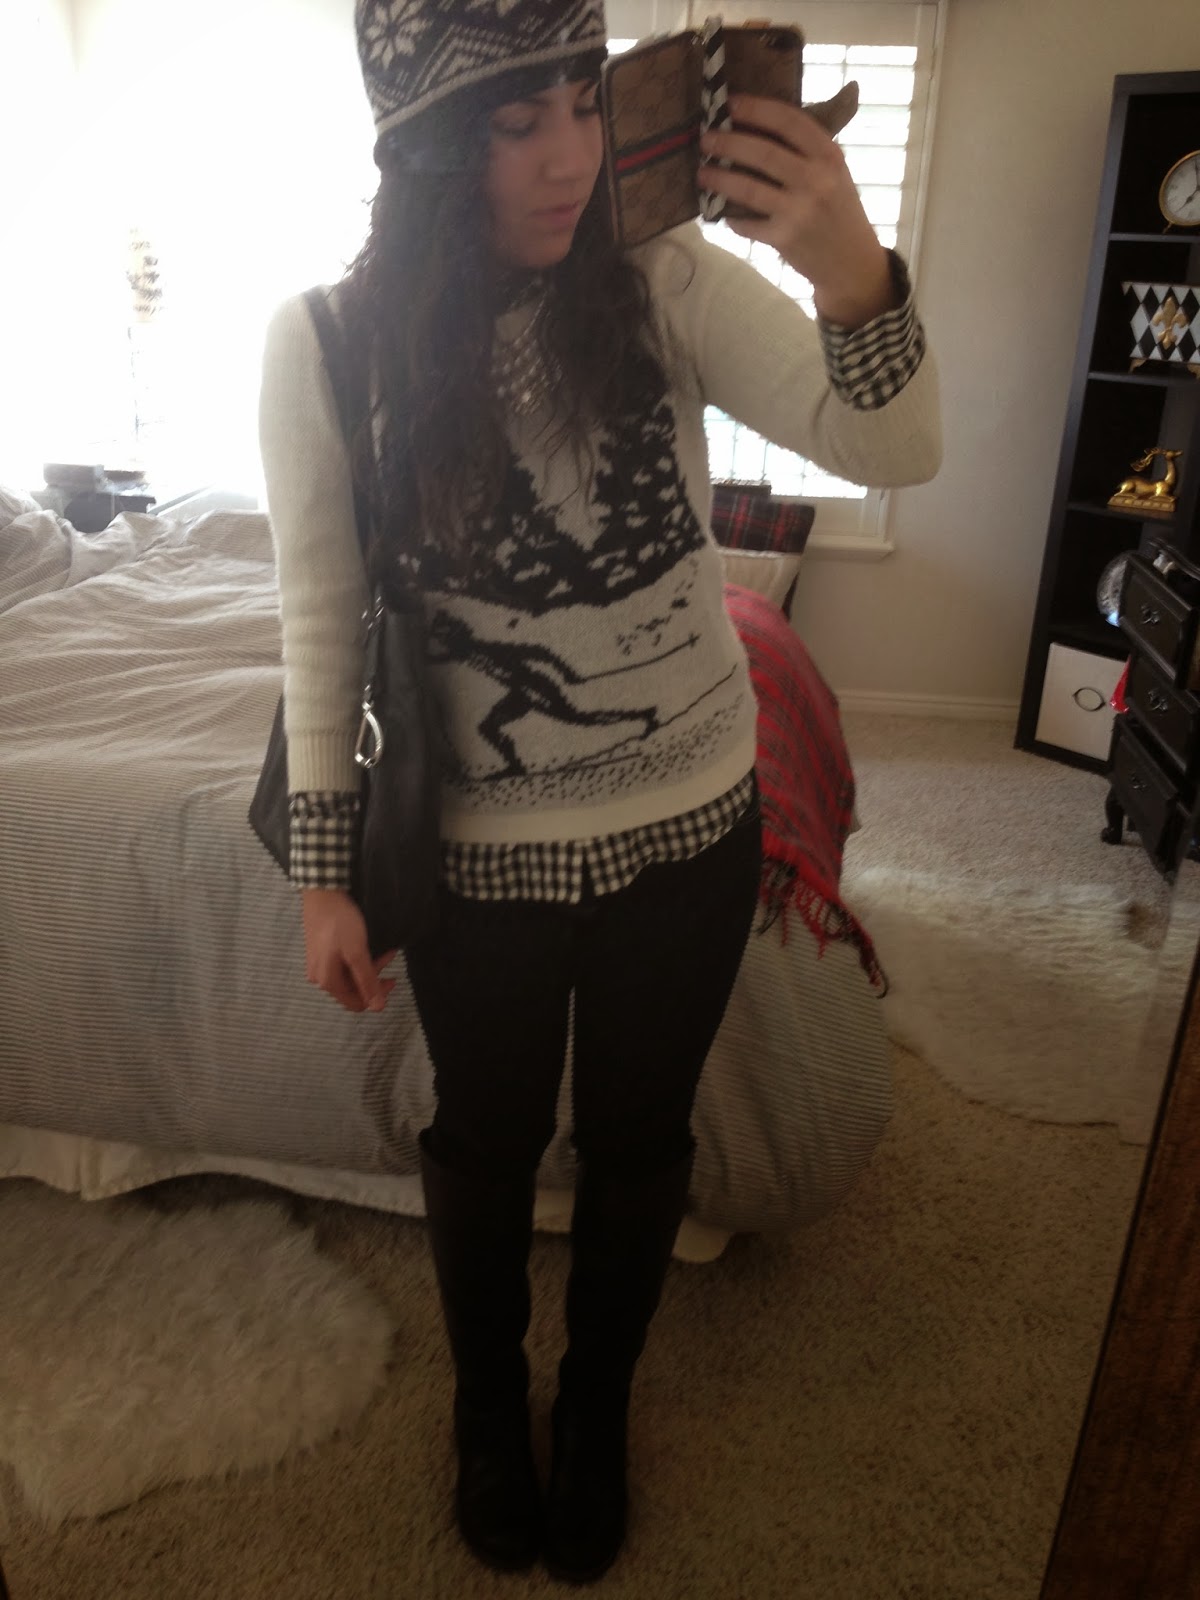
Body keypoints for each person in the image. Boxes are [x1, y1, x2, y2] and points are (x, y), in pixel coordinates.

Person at [258, 0, 941, 1584]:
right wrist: (322, 875)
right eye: (517, 125)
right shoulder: (328, 342)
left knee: (643, 1144)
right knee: (483, 1143)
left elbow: (896, 443)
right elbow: (318, 615)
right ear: (430, 151)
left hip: (691, 832)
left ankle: (600, 1403)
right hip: (476, 863)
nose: (569, 156)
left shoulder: (661, 278)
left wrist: (851, 267)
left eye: (584, 100)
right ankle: (488, 1409)